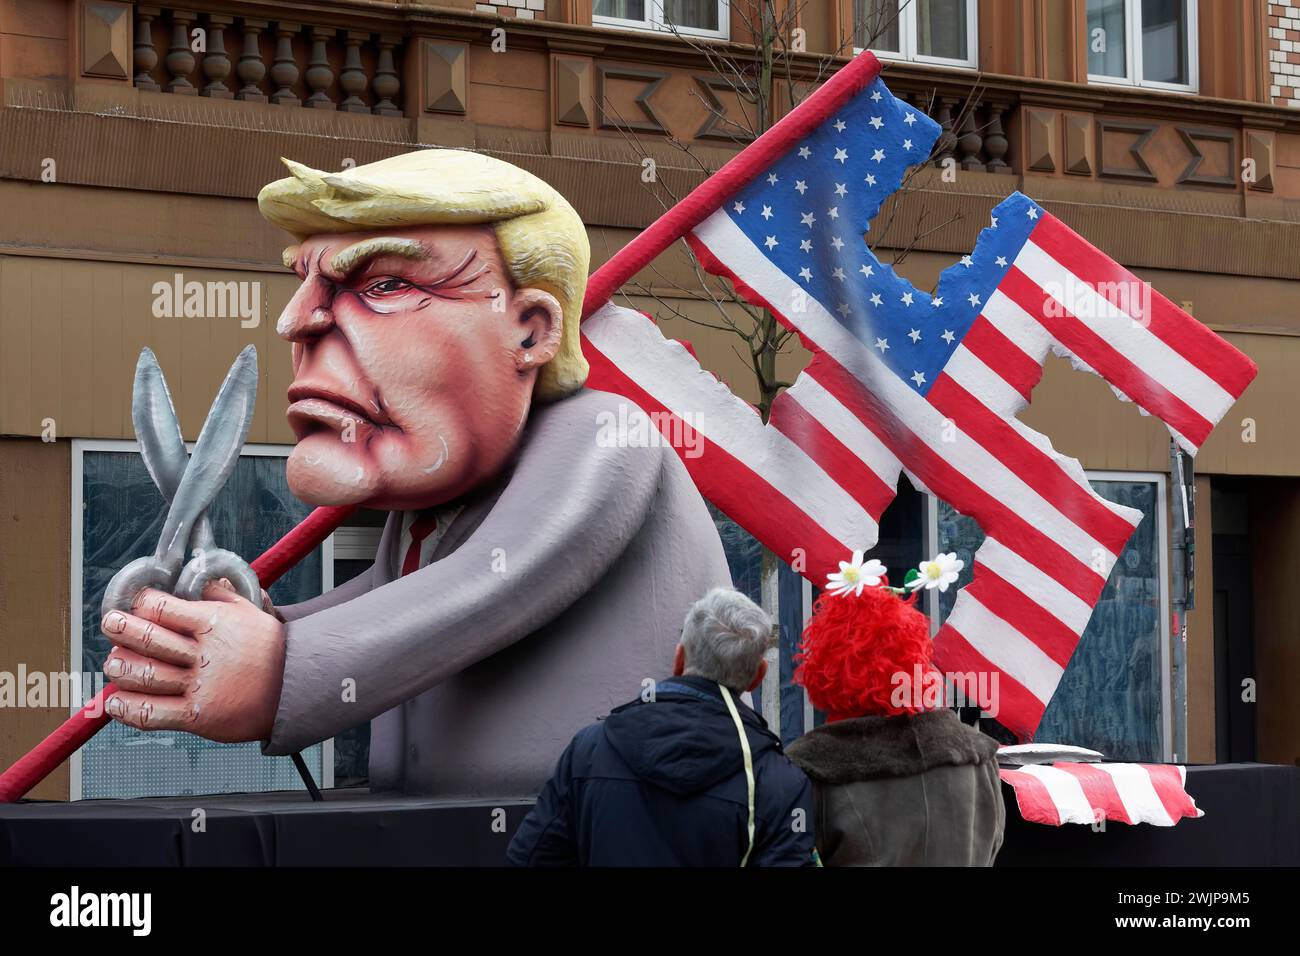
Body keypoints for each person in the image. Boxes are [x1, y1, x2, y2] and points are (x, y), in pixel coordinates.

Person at [98, 149, 733, 799]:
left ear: (530, 330)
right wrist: (263, 624)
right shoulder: (438, 503)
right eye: (305, 281)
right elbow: (385, 599)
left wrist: (282, 670)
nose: (295, 320)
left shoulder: (603, 436)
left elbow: (486, 585)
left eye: (384, 285)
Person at [507, 588, 818, 866]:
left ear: (679, 658)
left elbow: (531, 857)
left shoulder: (588, 750)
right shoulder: (780, 782)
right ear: (757, 677)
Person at [785, 563, 1004, 866]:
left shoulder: (810, 768)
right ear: (916, 658)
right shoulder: (977, 755)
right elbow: (993, 843)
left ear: (825, 666)